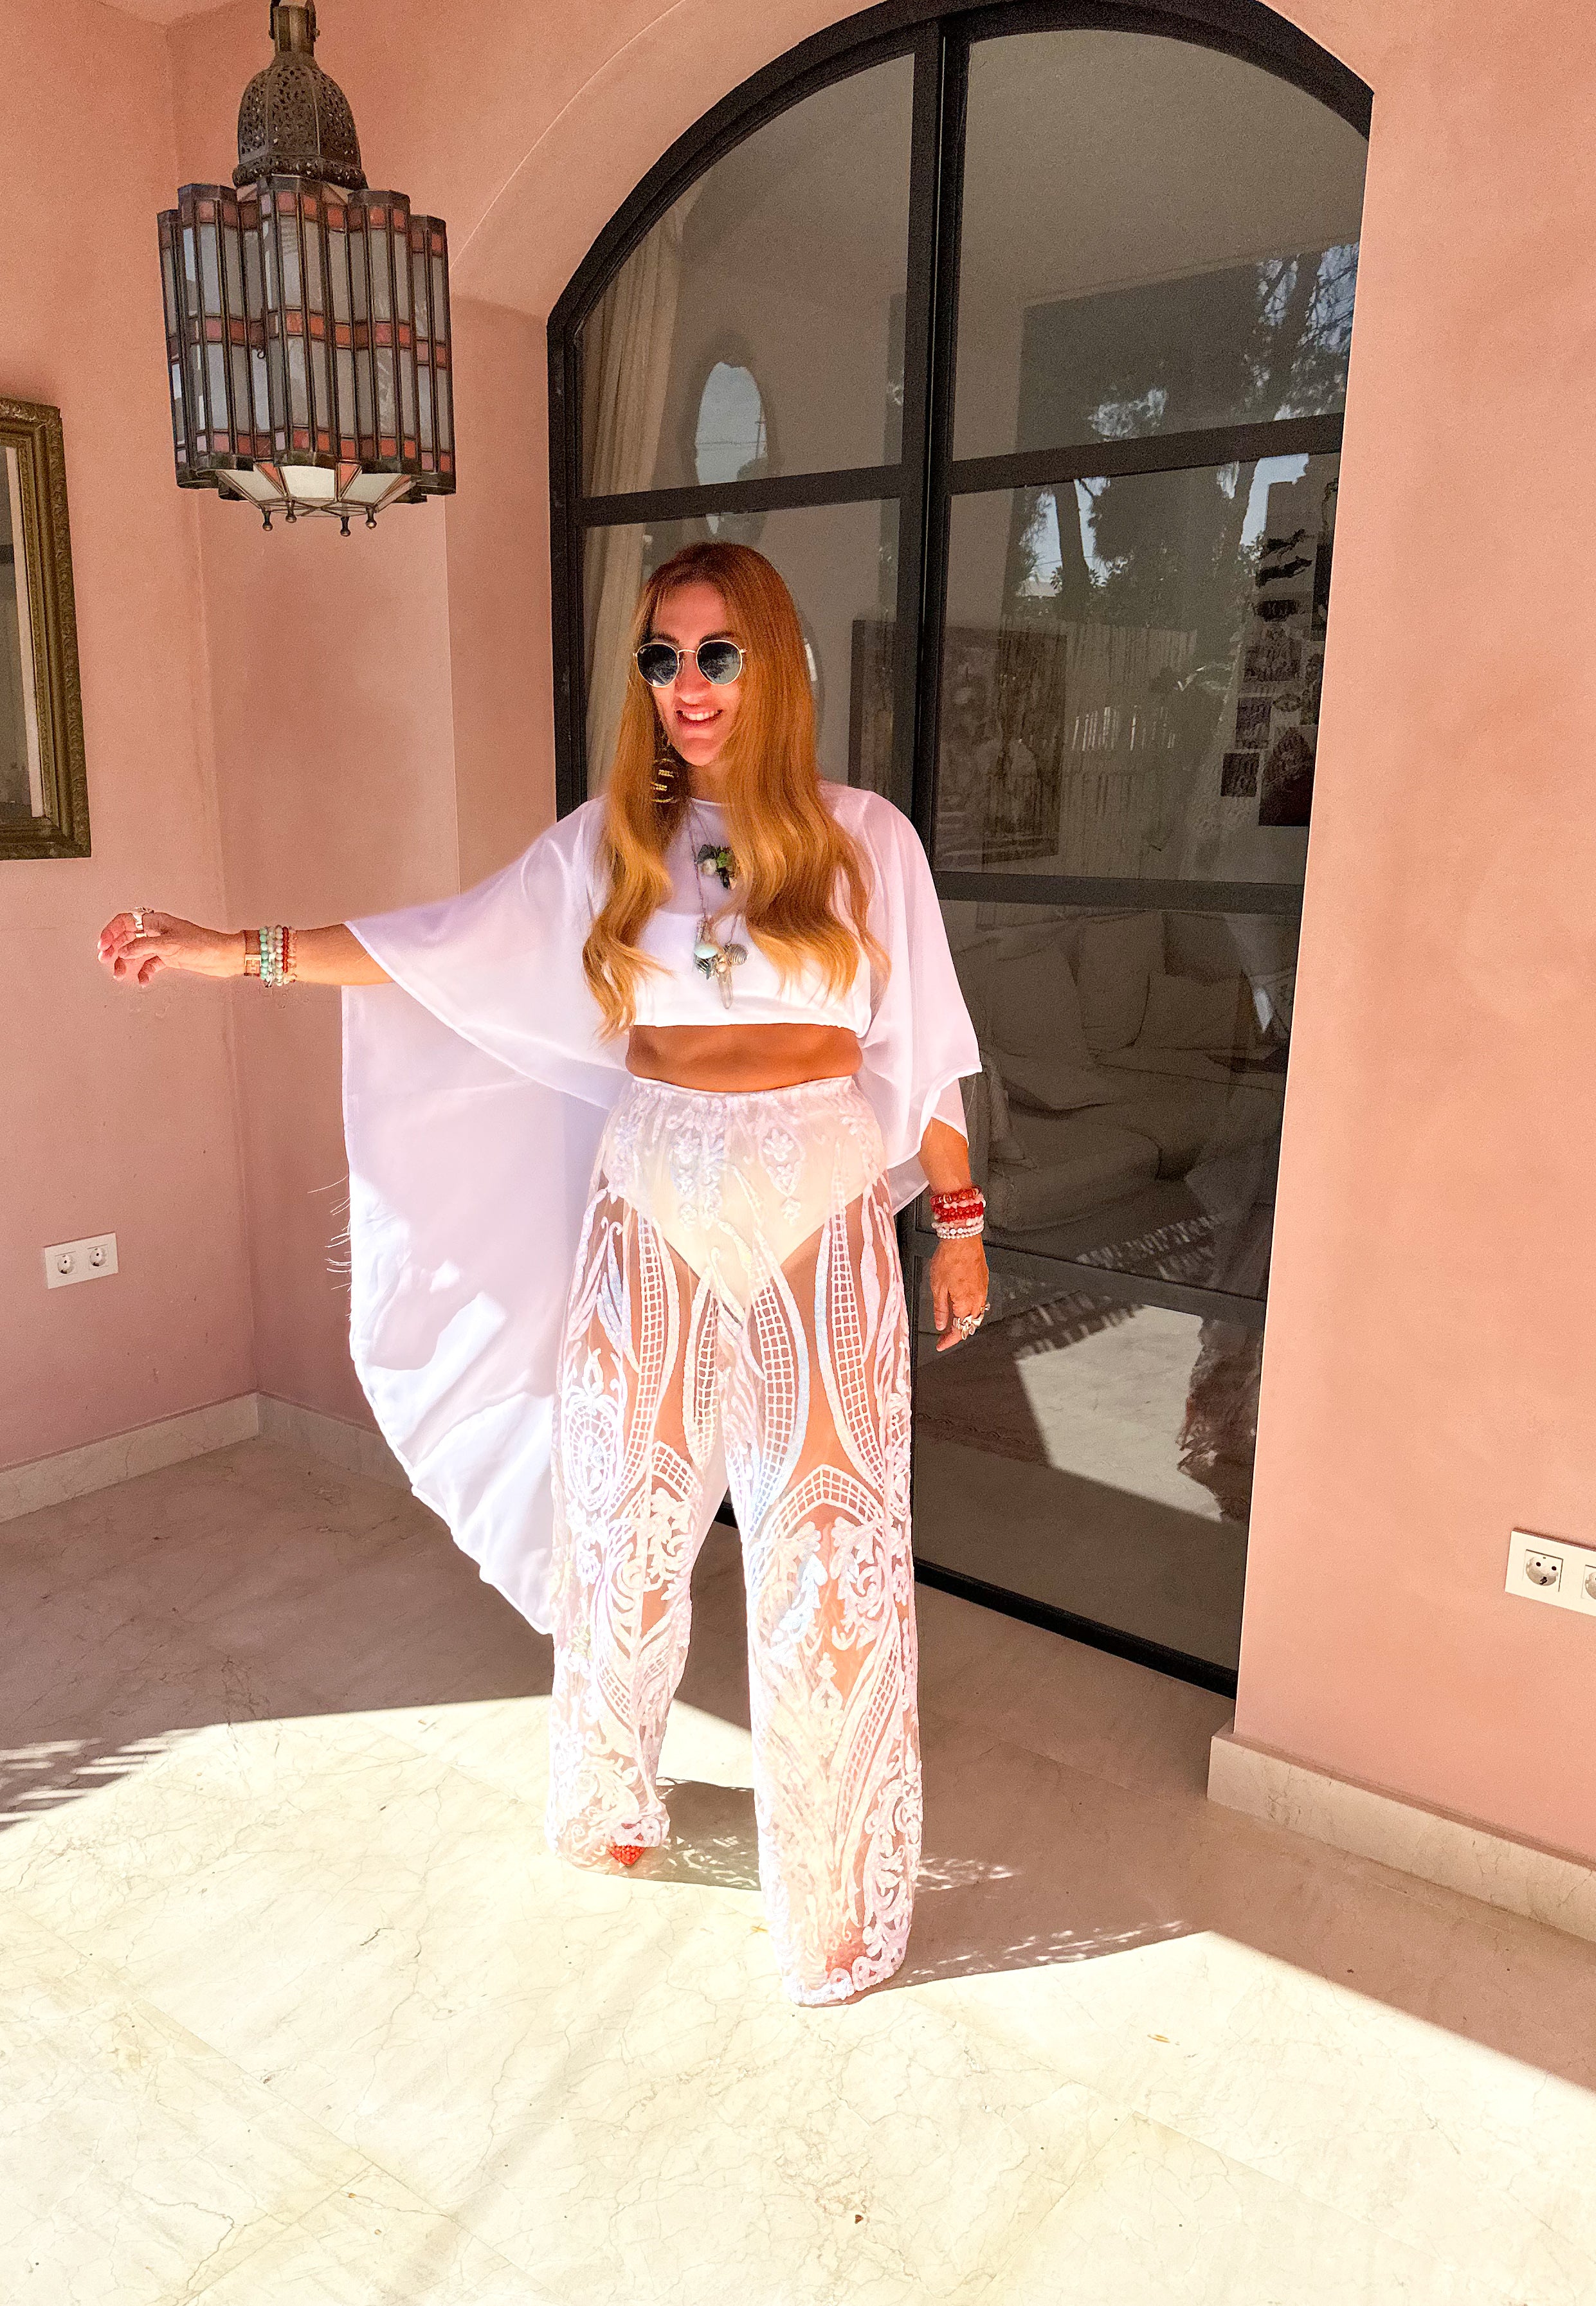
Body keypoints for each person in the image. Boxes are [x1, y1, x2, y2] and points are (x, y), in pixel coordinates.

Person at [98, 541, 987, 2004]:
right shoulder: (610, 846)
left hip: (820, 1211)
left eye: (717, 653)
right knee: (625, 1517)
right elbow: (432, 950)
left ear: (772, 663)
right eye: (662, 656)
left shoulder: (863, 839)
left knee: (826, 1549)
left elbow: (927, 1047)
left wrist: (955, 1217)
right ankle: (608, 1795)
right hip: (652, 1203)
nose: (688, 684)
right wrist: (231, 953)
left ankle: (835, 1888)